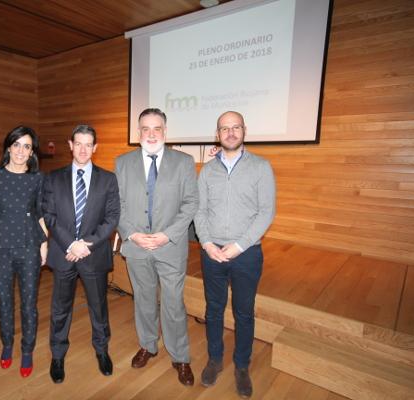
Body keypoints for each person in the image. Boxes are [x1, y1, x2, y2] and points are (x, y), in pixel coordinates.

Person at [194, 111, 276, 398]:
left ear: (244, 130)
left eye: (236, 127)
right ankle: (215, 359)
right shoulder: (207, 171)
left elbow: (266, 212)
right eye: (225, 128)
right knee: (213, 309)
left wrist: (240, 245)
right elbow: (199, 211)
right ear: (217, 134)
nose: (230, 132)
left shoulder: (261, 167)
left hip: (246, 254)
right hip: (212, 253)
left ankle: (242, 366)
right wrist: (206, 243)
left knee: (244, 312)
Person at [115, 108, 199, 386]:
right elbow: (117, 204)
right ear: (138, 132)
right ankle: (148, 345)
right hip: (137, 246)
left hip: (170, 246)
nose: (151, 134)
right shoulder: (123, 162)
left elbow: (190, 203)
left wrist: (167, 235)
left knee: (173, 303)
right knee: (144, 299)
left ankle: (180, 356)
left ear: (165, 131)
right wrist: (132, 234)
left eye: (157, 128)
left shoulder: (184, 162)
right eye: (145, 129)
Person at [42, 125, 120, 383]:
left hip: (93, 254)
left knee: (99, 306)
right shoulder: (53, 178)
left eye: (88, 144)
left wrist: (86, 244)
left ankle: (102, 349)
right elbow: (49, 216)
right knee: (60, 307)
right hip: (64, 253)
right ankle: (57, 354)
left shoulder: (108, 179)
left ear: (95, 147)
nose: (83, 149)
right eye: (78, 144)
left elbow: (112, 217)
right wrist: (70, 245)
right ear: (70, 145)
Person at [0, 126, 48, 378]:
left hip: (29, 247)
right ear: (8, 147)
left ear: (32, 152)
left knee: (29, 304)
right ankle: (7, 344)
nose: (21, 151)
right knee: (5, 302)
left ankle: (27, 350)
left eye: (26, 146)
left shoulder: (37, 179)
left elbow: (40, 213)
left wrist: (44, 244)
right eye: (16, 145)